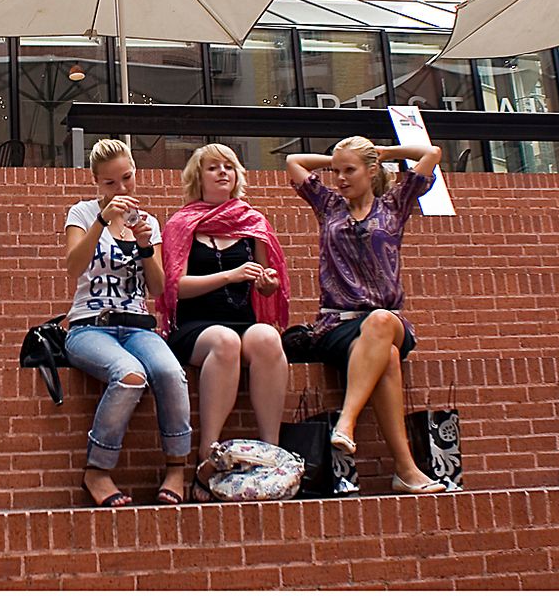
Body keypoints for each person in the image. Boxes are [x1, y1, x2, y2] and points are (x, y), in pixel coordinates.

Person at [285, 136, 446, 494]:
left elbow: (430, 153)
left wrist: (386, 153)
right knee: (386, 355)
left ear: (371, 171)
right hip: (336, 325)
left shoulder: (395, 204)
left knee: (381, 323)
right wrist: (336, 158)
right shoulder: (328, 205)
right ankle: (406, 470)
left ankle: (347, 421)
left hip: (386, 319)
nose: (339, 178)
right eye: (336, 171)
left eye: (349, 170)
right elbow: (294, 161)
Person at [159, 143, 290, 502]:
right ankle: (207, 454)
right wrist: (230, 276)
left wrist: (267, 284)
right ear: (197, 178)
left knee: (266, 338)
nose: (222, 172)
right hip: (195, 326)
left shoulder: (253, 224)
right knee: (225, 342)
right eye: (213, 167)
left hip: (242, 321)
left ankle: (271, 453)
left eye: (228, 167)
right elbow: (176, 289)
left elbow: (267, 283)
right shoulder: (181, 224)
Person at [64, 139, 192, 507]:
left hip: (137, 325)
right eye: (110, 183)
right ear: (96, 183)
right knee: (130, 374)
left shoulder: (148, 221)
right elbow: (74, 266)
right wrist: (103, 220)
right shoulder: (83, 214)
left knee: (170, 372)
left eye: (127, 178)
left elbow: (157, 288)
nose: (122, 190)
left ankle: (176, 467)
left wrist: (146, 246)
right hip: (90, 325)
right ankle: (98, 469)